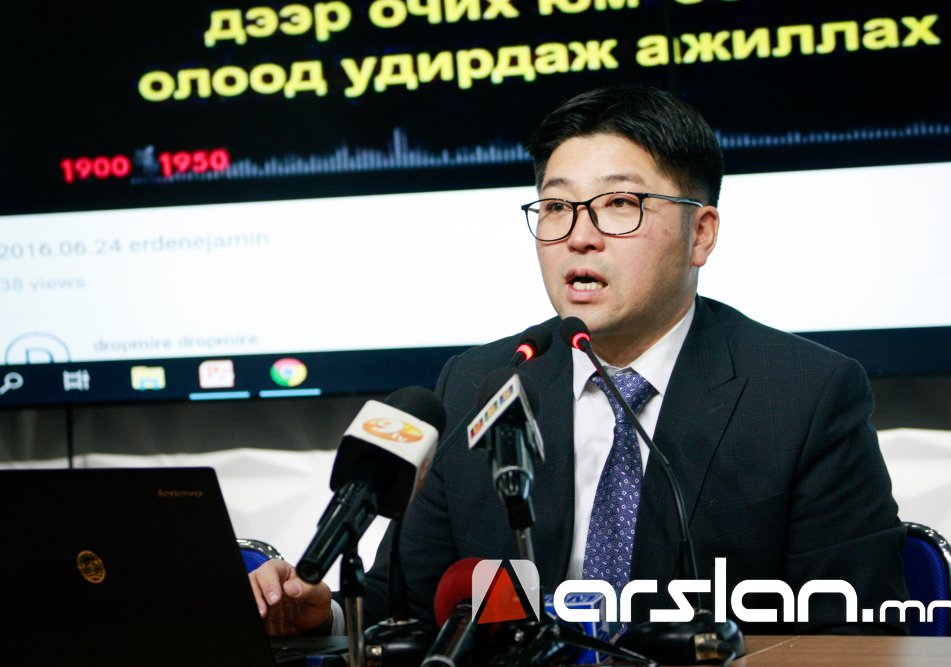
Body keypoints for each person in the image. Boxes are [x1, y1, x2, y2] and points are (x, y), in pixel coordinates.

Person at [249, 84, 909, 636]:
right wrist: (327, 614)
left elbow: (856, 632)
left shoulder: (805, 395)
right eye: (557, 207)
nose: (579, 236)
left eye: (620, 204)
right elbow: (409, 608)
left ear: (701, 233)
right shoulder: (479, 383)